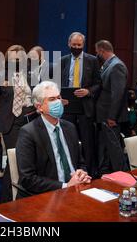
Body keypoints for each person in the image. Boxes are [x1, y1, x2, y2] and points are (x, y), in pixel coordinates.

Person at [16, 81, 91, 198]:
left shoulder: (70, 127)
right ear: (39, 107)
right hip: (47, 195)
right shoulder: (28, 133)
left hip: (76, 190)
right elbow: (27, 179)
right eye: (52, 99)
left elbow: (80, 162)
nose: (58, 102)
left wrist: (81, 172)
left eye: (59, 97)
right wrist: (65, 186)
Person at [0, 45, 36, 202]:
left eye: (19, 58)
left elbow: (37, 96)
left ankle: (15, 196)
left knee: (25, 158)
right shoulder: (1, 75)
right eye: (13, 59)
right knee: (15, 158)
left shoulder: (30, 75)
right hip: (10, 123)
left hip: (29, 120)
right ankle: (6, 198)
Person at [58, 32, 101, 176]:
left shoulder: (92, 60)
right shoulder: (63, 60)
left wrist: (88, 91)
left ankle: (88, 172)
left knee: (87, 142)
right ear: (69, 44)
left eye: (79, 45)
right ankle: (70, 171)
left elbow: (98, 83)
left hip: (85, 106)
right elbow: (57, 83)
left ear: (83, 45)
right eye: (74, 45)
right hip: (67, 105)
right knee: (68, 140)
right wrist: (59, 97)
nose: (76, 47)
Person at [94, 40, 129, 174]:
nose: (97, 55)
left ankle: (121, 175)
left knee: (114, 150)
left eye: (97, 52)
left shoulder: (116, 66)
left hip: (110, 117)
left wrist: (112, 116)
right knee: (106, 149)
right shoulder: (109, 65)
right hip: (104, 115)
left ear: (102, 51)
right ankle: (107, 175)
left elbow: (117, 94)